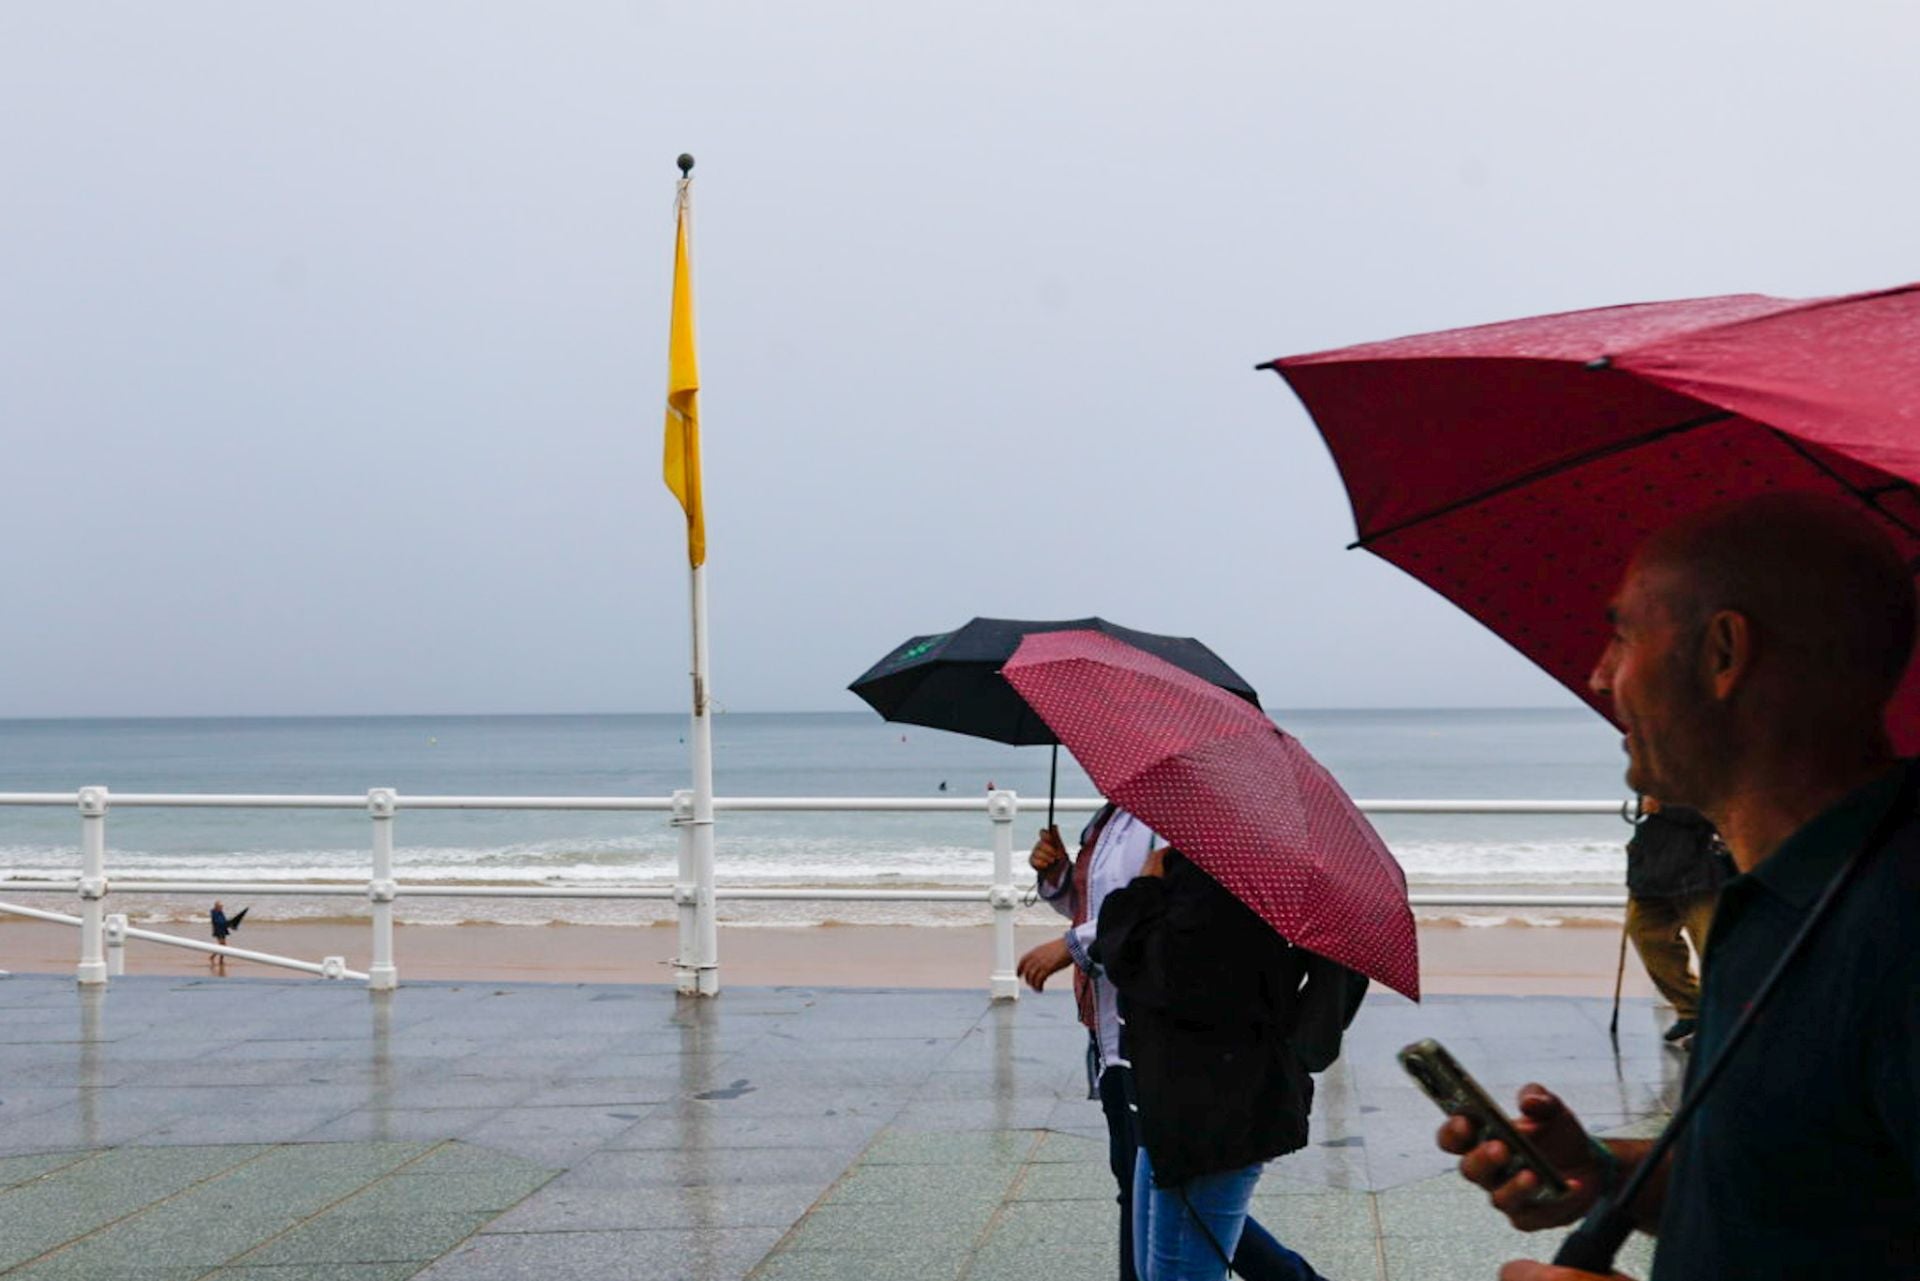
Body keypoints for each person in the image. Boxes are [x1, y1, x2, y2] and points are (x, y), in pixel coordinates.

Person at [1438, 493, 1920, 1280]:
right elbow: (1796, 1200)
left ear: (1724, 653)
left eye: (1622, 634)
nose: (1599, 674)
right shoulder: (1779, 899)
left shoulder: (1899, 925)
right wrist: (1608, 1172)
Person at [1096, 843, 1367, 1281]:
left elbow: (1145, 964)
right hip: (1196, 1096)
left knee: (1178, 1272)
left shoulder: (1223, 873)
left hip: (1209, 1106)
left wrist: (1145, 885)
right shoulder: (1267, 867)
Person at [1016, 803, 1154, 1280]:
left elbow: (1155, 909)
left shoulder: (1171, 819)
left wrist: (1071, 945)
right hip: (1106, 1024)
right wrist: (1059, 875)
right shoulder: (1110, 817)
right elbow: (1094, 904)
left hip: (1152, 1030)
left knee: (1155, 1185)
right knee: (1136, 1180)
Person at [1622, 796, 1725, 1044]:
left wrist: (1663, 808)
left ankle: (1719, 1024)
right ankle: (1692, 1009)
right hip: (1652, 868)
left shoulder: (1714, 764)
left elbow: (1717, 810)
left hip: (1699, 870)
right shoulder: (1657, 767)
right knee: (1645, 932)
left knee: (1713, 948)